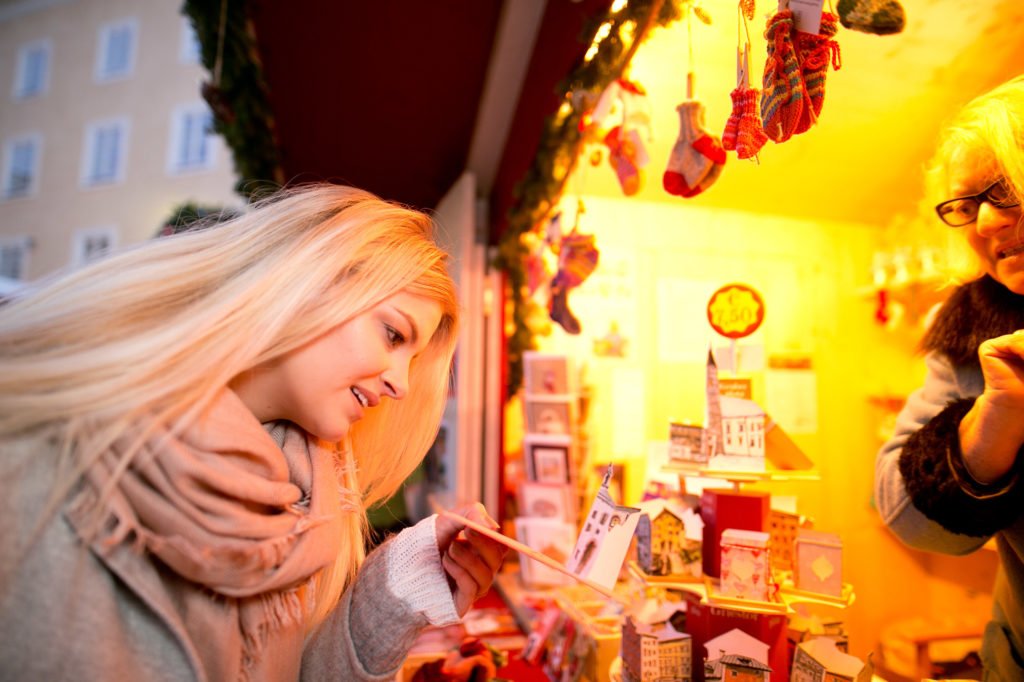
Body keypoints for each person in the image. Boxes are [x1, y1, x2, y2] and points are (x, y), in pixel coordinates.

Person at [0, 184, 508, 681]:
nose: (400, 383)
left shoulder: (309, 501)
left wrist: (399, 584)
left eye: (411, 358)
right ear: (311, 280)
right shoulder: (40, 469)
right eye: (393, 334)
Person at [875, 74, 1024, 680]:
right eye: (967, 205)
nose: (985, 224)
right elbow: (897, 505)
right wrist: (987, 432)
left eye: (1008, 187)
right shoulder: (973, 334)